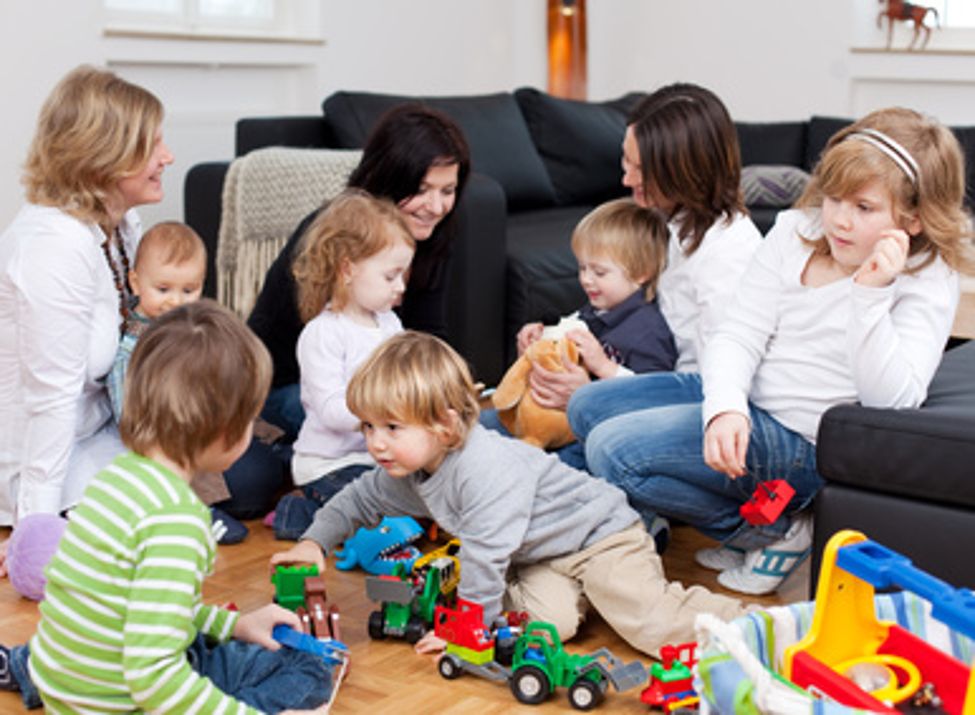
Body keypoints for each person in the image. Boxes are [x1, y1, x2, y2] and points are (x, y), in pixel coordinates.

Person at [573, 107, 973, 596]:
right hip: (749, 406)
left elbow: (893, 401)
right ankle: (752, 527)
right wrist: (725, 409)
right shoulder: (794, 231)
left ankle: (774, 532)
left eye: (864, 208)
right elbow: (738, 332)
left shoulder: (927, 278)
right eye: (833, 198)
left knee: (614, 451)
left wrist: (871, 294)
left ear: (910, 218)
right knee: (585, 407)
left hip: (801, 439)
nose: (840, 221)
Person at [270, 331, 746, 658]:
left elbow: (484, 551)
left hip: (599, 537)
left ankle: (755, 625)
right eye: (368, 426)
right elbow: (355, 501)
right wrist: (314, 541)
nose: (375, 442)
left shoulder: (483, 468)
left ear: (446, 423)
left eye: (392, 427)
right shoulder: (403, 469)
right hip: (537, 555)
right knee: (547, 627)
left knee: (649, 623)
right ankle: (582, 598)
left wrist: (467, 634)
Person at [0, 301, 333, 713]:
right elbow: (154, 677)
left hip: (66, 683)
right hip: (120, 701)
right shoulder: (177, 521)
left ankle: (21, 665)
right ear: (228, 432)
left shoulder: (114, 477)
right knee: (309, 670)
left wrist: (236, 625)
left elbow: (139, 607)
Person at [564, 82, 763, 547]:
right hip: (672, 379)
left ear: (681, 172)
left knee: (604, 447)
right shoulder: (678, 226)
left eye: (640, 169)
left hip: (711, 397)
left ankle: (760, 528)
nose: (626, 178)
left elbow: (728, 377)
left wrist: (608, 380)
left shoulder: (728, 253)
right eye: (626, 160)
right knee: (578, 409)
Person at [0, 65, 173, 575]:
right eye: (151, 146)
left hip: (100, 428)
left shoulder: (119, 224)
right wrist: (34, 530)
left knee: (245, 474)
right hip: (37, 450)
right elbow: (49, 401)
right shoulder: (53, 247)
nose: (168, 156)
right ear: (102, 157)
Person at [248, 104, 470, 441]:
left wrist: (452, 390)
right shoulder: (332, 237)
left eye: (447, 191)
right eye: (422, 190)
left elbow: (428, 335)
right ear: (390, 179)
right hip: (294, 385)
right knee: (410, 434)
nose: (436, 207)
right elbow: (323, 373)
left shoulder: (432, 233)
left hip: (375, 387)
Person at [480, 198, 676, 470]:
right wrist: (537, 339)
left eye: (599, 271)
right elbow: (562, 332)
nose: (585, 279)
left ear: (642, 273)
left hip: (590, 437)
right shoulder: (597, 309)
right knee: (481, 426)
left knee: (540, 467)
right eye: (582, 268)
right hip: (552, 419)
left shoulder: (647, 331)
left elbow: (654, 396)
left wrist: (605, 367)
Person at [271, 190, 415, 540]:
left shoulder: (389, 324)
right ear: (348, 269)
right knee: (375, 514)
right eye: (390, 276)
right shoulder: (323, 334)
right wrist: (391, 418)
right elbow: (334, 412)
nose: (399, 288)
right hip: (330, 464)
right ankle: (298, 513)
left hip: (380, 458)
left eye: (402, 277)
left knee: (424, 495)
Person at [105, 220, 247, 543]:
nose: (176, 302)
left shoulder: (187, 327)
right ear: (136, 283)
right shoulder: (133, 348)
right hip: (156, 439)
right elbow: (128, 415)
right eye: (163, 289)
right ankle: (197, 512)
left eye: (189, 290)